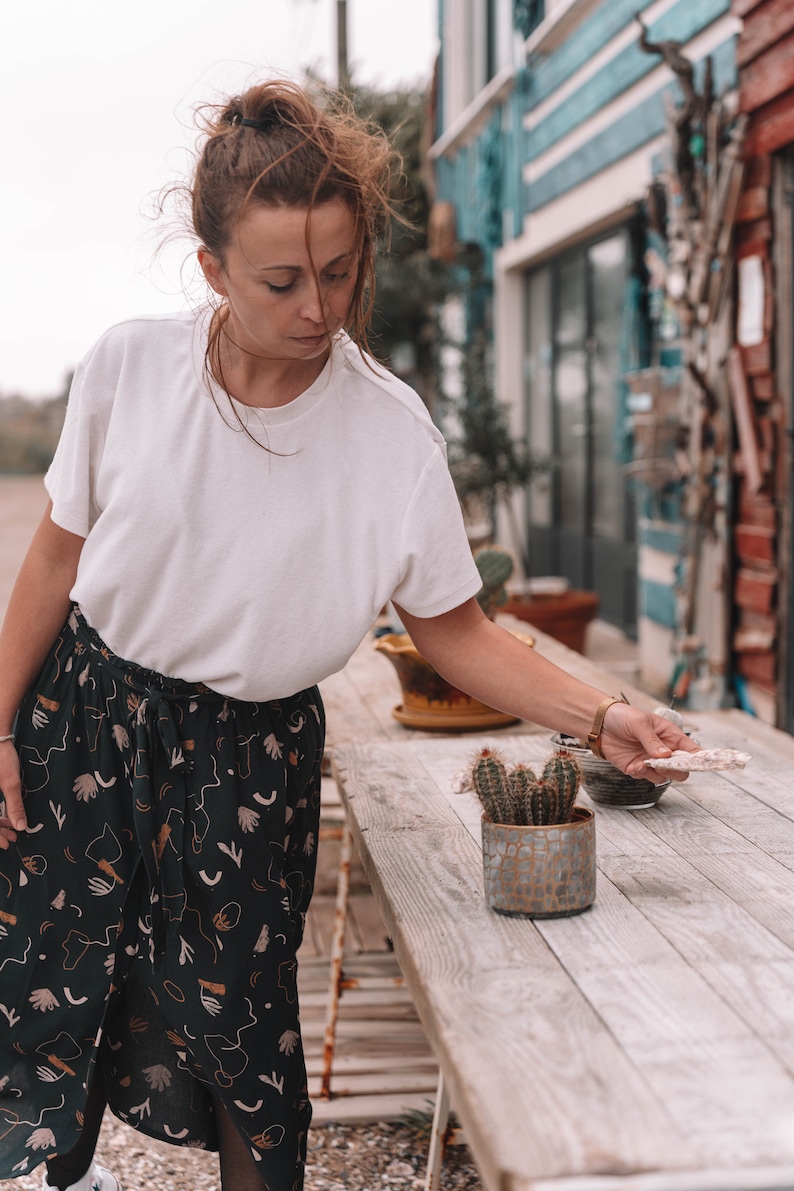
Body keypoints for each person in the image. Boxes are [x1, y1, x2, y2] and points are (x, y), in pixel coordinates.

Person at [0, 78, 696, 1191]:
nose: (318, 308)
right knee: (43, 980)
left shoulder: (388, 431)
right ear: (213, 270)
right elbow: (51, 560)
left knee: (246, 1044)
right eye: (282, 280)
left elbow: (455, 633)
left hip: (249, 755)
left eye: (339, 272)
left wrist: (602, 714)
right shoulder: (130, 367)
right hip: (88, 719)